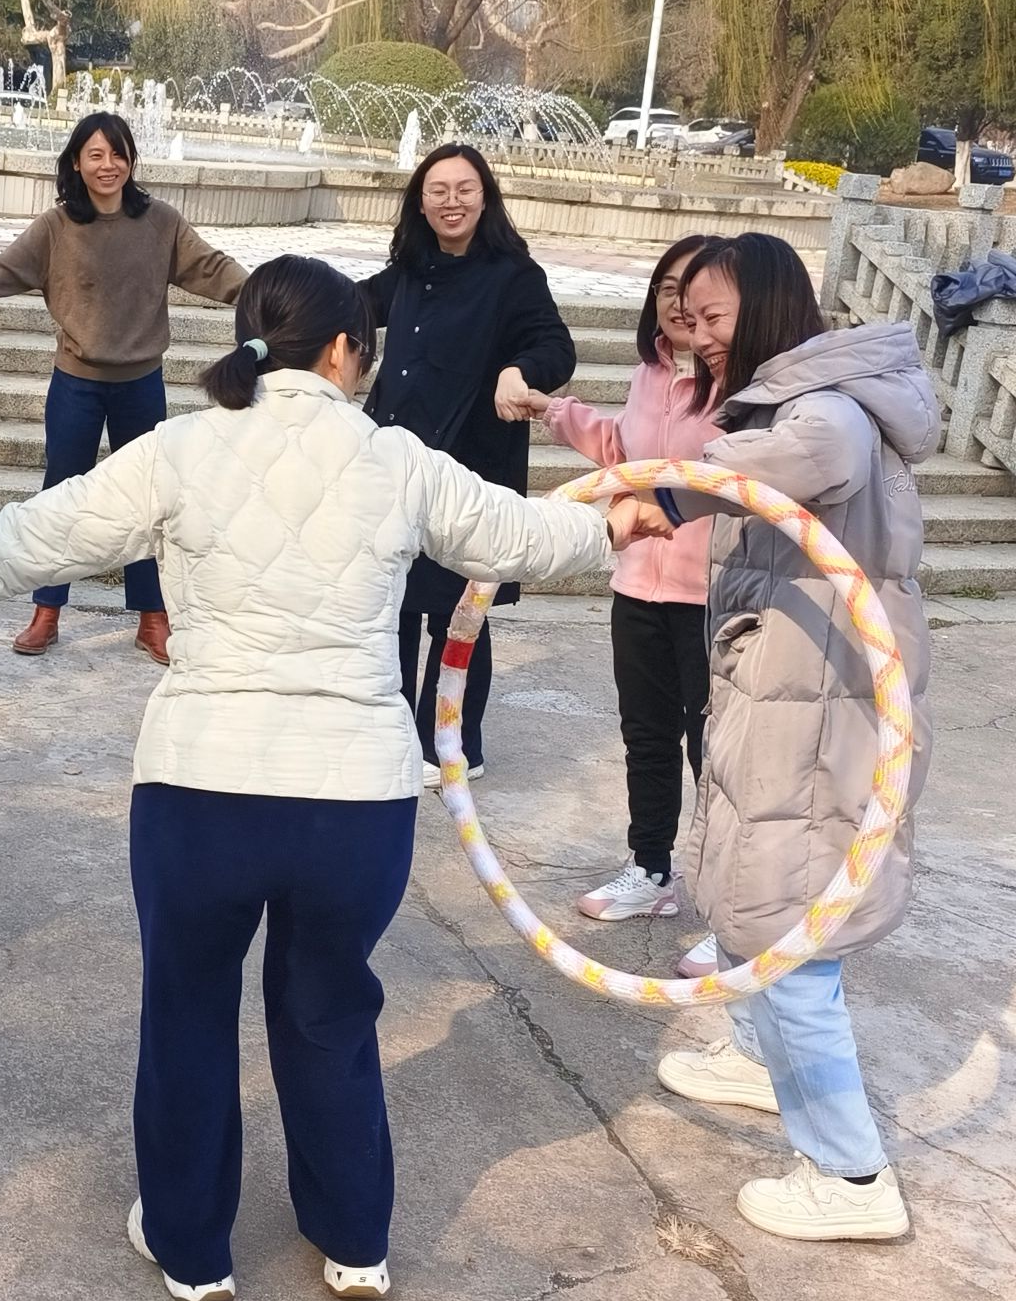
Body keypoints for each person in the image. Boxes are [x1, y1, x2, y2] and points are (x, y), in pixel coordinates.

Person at [0, 256, 629, 1301]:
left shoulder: (180, 449)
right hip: (354, 805)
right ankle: (354, 1239)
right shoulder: (395, 457)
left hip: (200, 790)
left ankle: (191, 1249)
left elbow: (22, 539)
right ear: (347, 350)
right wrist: (625, 519)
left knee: (187, 1010)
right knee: (329, 1012)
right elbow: (528, 537)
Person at [638, 233, 934, 1240]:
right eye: (689, 319)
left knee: (790, 923)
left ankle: (850, 1177)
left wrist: (665, 492)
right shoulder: (799, 400)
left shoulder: (825, 411)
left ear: (766, 308)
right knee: (750, 886)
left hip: (822, 705)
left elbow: (812, 457)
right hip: (783, 690)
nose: (699, 337)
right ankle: (758, 1060)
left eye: (714, 318)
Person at [0, 111, 247, 664]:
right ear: (76, 162)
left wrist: (273, 295)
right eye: (95, 154)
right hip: (76, 385)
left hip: (142, 385)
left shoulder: (161, 222)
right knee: (59, 499)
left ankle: (153, 616)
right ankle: (46, 611)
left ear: (131, 160)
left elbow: (213, 269)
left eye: (118, 153)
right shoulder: (56, 228)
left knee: (152, 499)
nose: (108, 165)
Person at [520, 236, 725, 960]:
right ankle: (651, 870)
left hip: (713, 594)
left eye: (694, 293)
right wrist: (553, 411)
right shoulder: (649, 372)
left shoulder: (739, 386)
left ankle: (730, 910)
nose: (678, 304)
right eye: (667, 289)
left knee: (716, 753)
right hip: (639, 584)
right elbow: (625, 453)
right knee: (647, 734)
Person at [362, 143, 577, 788]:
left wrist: (519, 370)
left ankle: (451, 744)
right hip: (397, 465)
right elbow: (349, 307)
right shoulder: (409, 269)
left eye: (464, 189)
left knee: (459, 613)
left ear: (485, 198)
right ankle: (390, 735)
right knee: (394, 607)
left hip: (470, 467)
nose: (451, 202)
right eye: (438, 190)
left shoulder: (513, 275)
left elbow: (554, 345)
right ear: (420, 201)